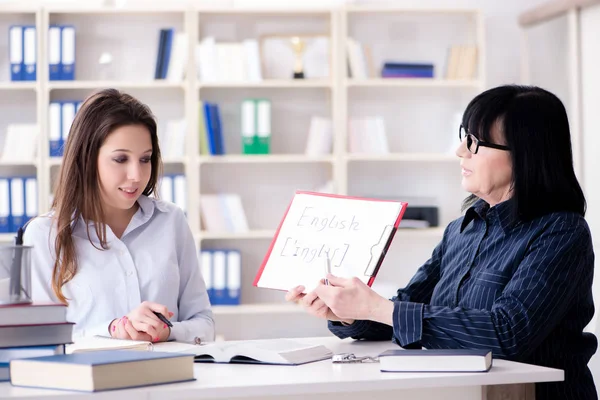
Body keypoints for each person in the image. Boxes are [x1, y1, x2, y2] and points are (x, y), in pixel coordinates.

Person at [286, 85, 597, 400]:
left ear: (525, 153)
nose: (461, 151)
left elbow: (508, 332)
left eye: (474, 142)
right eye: (464, 137)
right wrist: (348, 312)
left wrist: (378, 307)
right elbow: (402, 312)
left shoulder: (561, 232)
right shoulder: (460, 231)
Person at [24, 88, 214, 344]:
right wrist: (114, 329)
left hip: (168, 379)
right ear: (87, 159)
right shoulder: (45, 234)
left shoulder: (172, 222)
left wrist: (168, 332)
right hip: (86, 381)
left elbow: (203, 324)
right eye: (121, 159)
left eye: (145, 159)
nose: (136, 175)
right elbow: (37, 339)